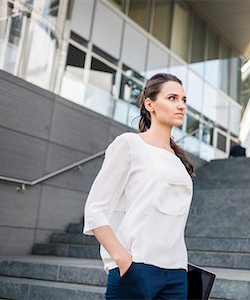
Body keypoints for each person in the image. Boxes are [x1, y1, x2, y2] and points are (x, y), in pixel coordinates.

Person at [83, 73, 195, 299]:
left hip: (176, 272)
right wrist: (123, 259)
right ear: (149, 104)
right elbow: (95, 209)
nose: (181, 105)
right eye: (172, 98)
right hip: (137, 267)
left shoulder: (179, 159)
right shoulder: (129, 144)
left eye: (183, 100)